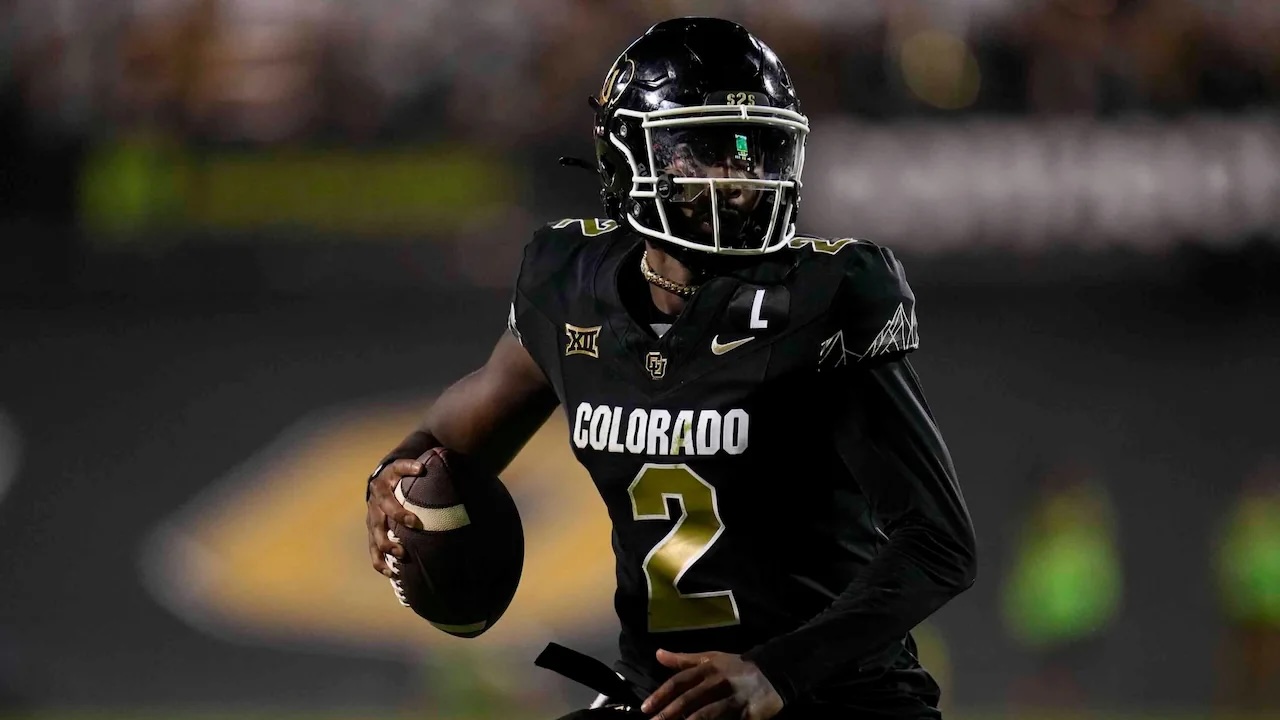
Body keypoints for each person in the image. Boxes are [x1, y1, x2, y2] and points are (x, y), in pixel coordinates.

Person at [364, 17, 977, 720]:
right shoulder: (571, 286)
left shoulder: (823, 298)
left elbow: (939, 543)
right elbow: (444, 443)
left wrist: (773, 671)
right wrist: (391, 480)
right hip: (667, 700)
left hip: (835, 697)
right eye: (706, 151)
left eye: (756, 151)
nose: (740, 179)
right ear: (625, 157)